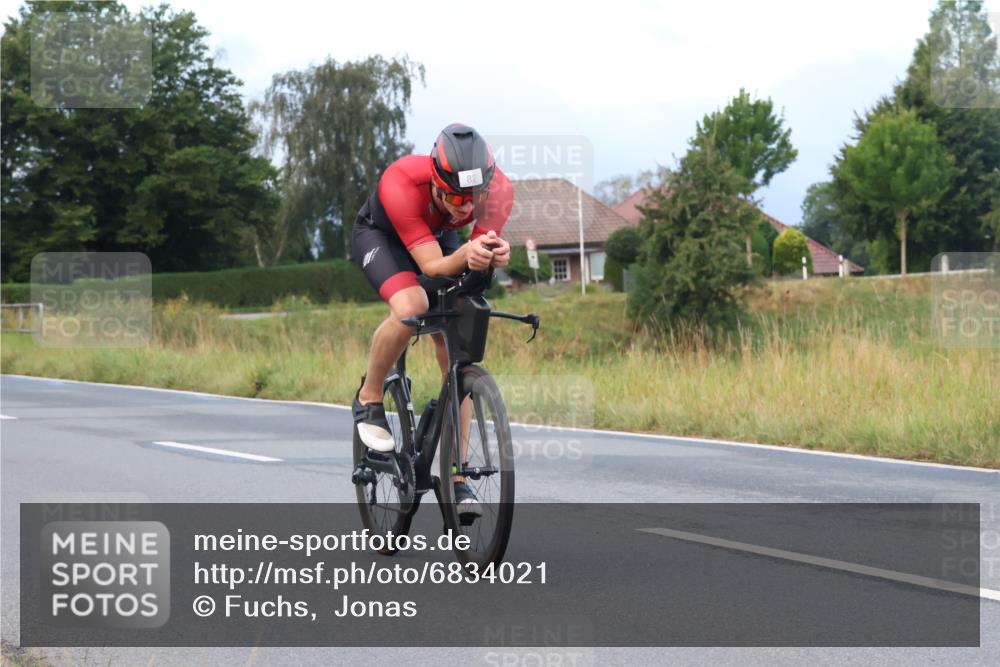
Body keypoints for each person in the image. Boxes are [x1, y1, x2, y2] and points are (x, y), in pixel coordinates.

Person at [351, 123, 513, 516]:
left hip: (438, 237)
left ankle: (458, 479)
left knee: (454, 338)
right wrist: (470, 253)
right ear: (437, 183)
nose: (466, 208)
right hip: (384, 237)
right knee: (411, 308)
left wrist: (494, 254)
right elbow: (432, 265)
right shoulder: (402, 181)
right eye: (456, 198)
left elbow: (474, 259)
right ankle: (369, 398)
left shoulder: (499, 192)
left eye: (474, 198)